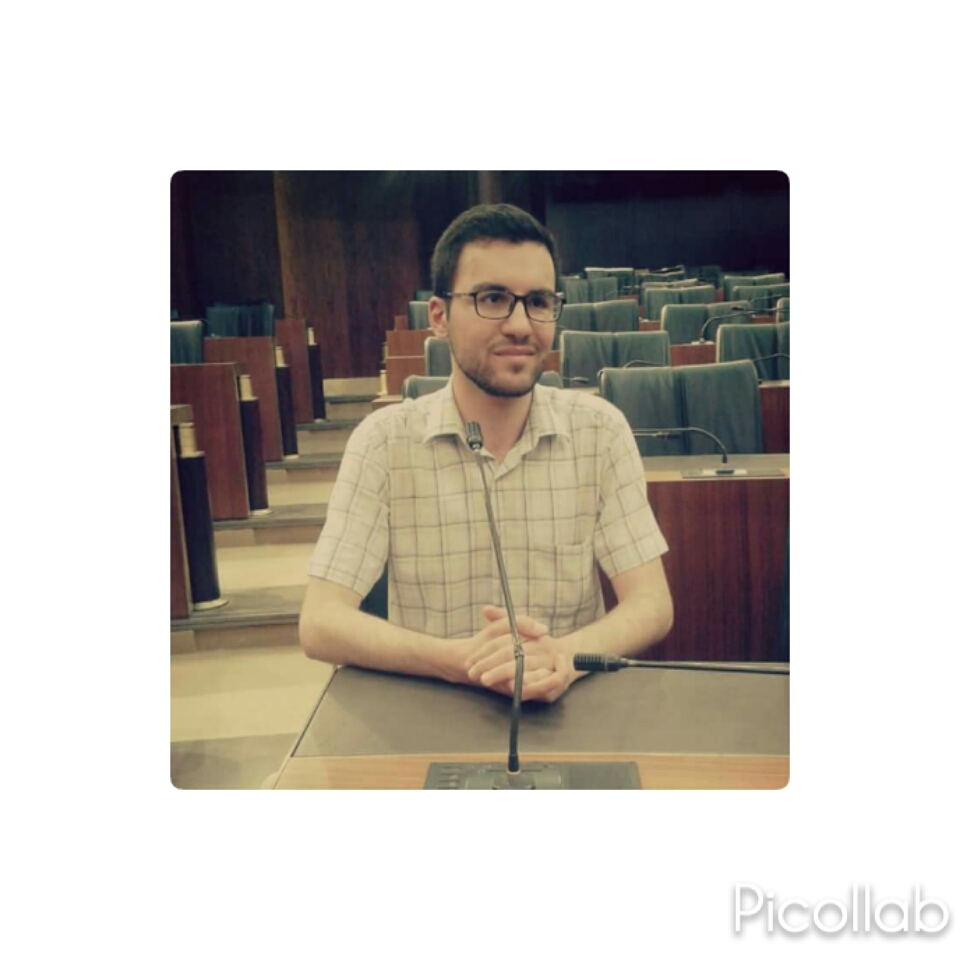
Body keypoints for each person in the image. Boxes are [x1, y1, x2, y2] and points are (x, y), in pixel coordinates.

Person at [299, 203, 673, 702]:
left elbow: (651, 604)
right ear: (439, 317)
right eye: (492, 299)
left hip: (569, 705)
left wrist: (563, 655)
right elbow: (321, 622)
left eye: (538, 301)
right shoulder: (382, 442)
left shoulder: (601, 431)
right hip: (433, 707)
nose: (520, 325)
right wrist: (458, 662)